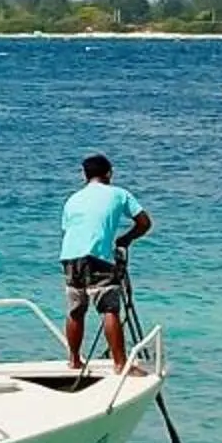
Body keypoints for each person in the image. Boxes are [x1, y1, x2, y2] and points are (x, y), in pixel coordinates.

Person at [59, 153, 154, 372]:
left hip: (69, 255)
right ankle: (120, 365)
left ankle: (74, 360)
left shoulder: (72, 199)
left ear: (84, 175)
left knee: (76, 309)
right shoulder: (120, 194)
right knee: (109, 309)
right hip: (98, 256)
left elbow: (69, 229)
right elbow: (144, 223)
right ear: (109, 173)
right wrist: (126, 239)